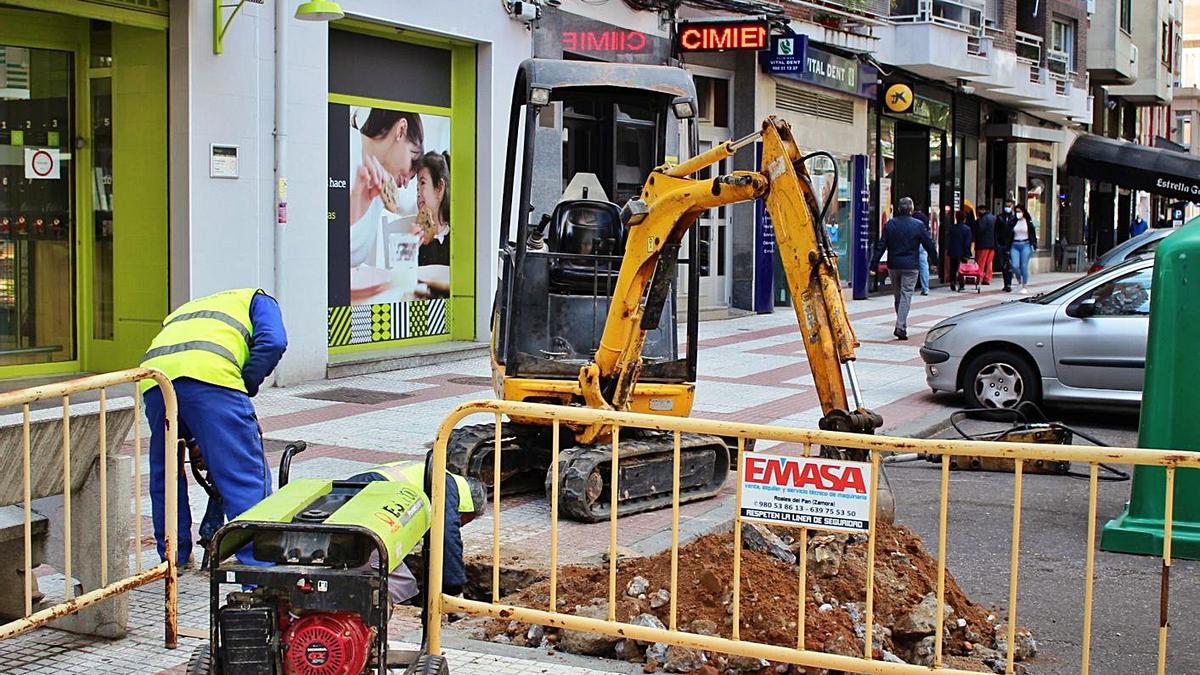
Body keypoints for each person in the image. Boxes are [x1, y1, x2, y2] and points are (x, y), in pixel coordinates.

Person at [141, 288, 287, 566]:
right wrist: (246, 385)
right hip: (212, 378)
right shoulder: (260, 299)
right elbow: (273, 342)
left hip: (154, 381)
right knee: (242, 475)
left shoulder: (189, 308)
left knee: (166, 476)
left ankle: (173, 560)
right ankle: (259, 568)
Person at [347, 458, 485, 604]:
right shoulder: (445, 487)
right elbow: (447, 536)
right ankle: (400, 620)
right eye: (463, 522)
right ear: (467, 510)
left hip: (347, 498)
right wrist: (454, 589)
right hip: (362, 514)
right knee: (404, 587)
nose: (460, 525)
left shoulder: (434, 476)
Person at [349, 109, 425, 268]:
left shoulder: (380, 188)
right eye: (412, 162)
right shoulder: (343, 149)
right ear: (401, 130)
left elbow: (412, 207)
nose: (405, 184)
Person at [871, 197, 938, 341]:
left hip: (894, 265)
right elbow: (929, 244)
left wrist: (873, 264)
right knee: (906, 295)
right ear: (911, 209)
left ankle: (901, 324)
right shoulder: (918, 225)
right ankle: (900, 325)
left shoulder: (890, 225)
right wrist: (935, 261)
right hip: (911, 266)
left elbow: (881, 246)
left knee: (898, 296)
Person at [413, 151, 452, 298]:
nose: (418, 193)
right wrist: (411, 247)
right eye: (416, 189)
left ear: (440, 188)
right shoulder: (417, 238)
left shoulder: (455, 237)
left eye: (422, 183)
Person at [1009, 205, 1038, 293]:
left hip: (1026, 244)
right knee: (1015, 265)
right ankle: (1019, 281)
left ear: (1023, 212)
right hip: (1014, 245)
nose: (1018, 213)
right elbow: (1008, 233)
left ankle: (1024, 286)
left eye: (1019, 211)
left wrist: (1034, 245)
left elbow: (1032, 234)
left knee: (1024, 265)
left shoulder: (1028, 222)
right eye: (1016, 211)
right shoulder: (1013, 222)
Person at [948, 209, 974, 291]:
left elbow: (950, 240)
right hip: (963, 252)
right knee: (963, 269)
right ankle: (961, 284)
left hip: (953, 251)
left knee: (953, 267)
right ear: (965, 218)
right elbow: (967, 243)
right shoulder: (967, 229)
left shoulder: (952, 228)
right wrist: (967, 253)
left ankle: (952, 282)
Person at [996, 199, 1018, 292]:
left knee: (1009, 265)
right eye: (1006, 206)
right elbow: (996, 232)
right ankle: (1006, 283)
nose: (1007, 208)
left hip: (1012, 245)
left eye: (1009, 206)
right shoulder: (1000, 217)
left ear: (1012, 207)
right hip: (1001, 244)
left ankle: (1008, 283)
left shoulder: (1015, 218)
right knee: (1003, 265)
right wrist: (997, 244)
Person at [973, 204, 997, 285]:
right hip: (992, 245)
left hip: (983, 244)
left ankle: (979, 277)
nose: (977, 213)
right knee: (989, 262)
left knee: (981, 262)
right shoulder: (994, 218)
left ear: (983, 210)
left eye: (978, 211)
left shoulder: (983, 219)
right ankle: (987, 278)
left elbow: (979, 230)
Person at [914, 209, 931, 296]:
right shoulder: (925, 218)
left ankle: (910, 286)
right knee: (924, 266)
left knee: (911, 265)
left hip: (913, 243)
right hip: (922, 244)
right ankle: (925, 288)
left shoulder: (912, 218)